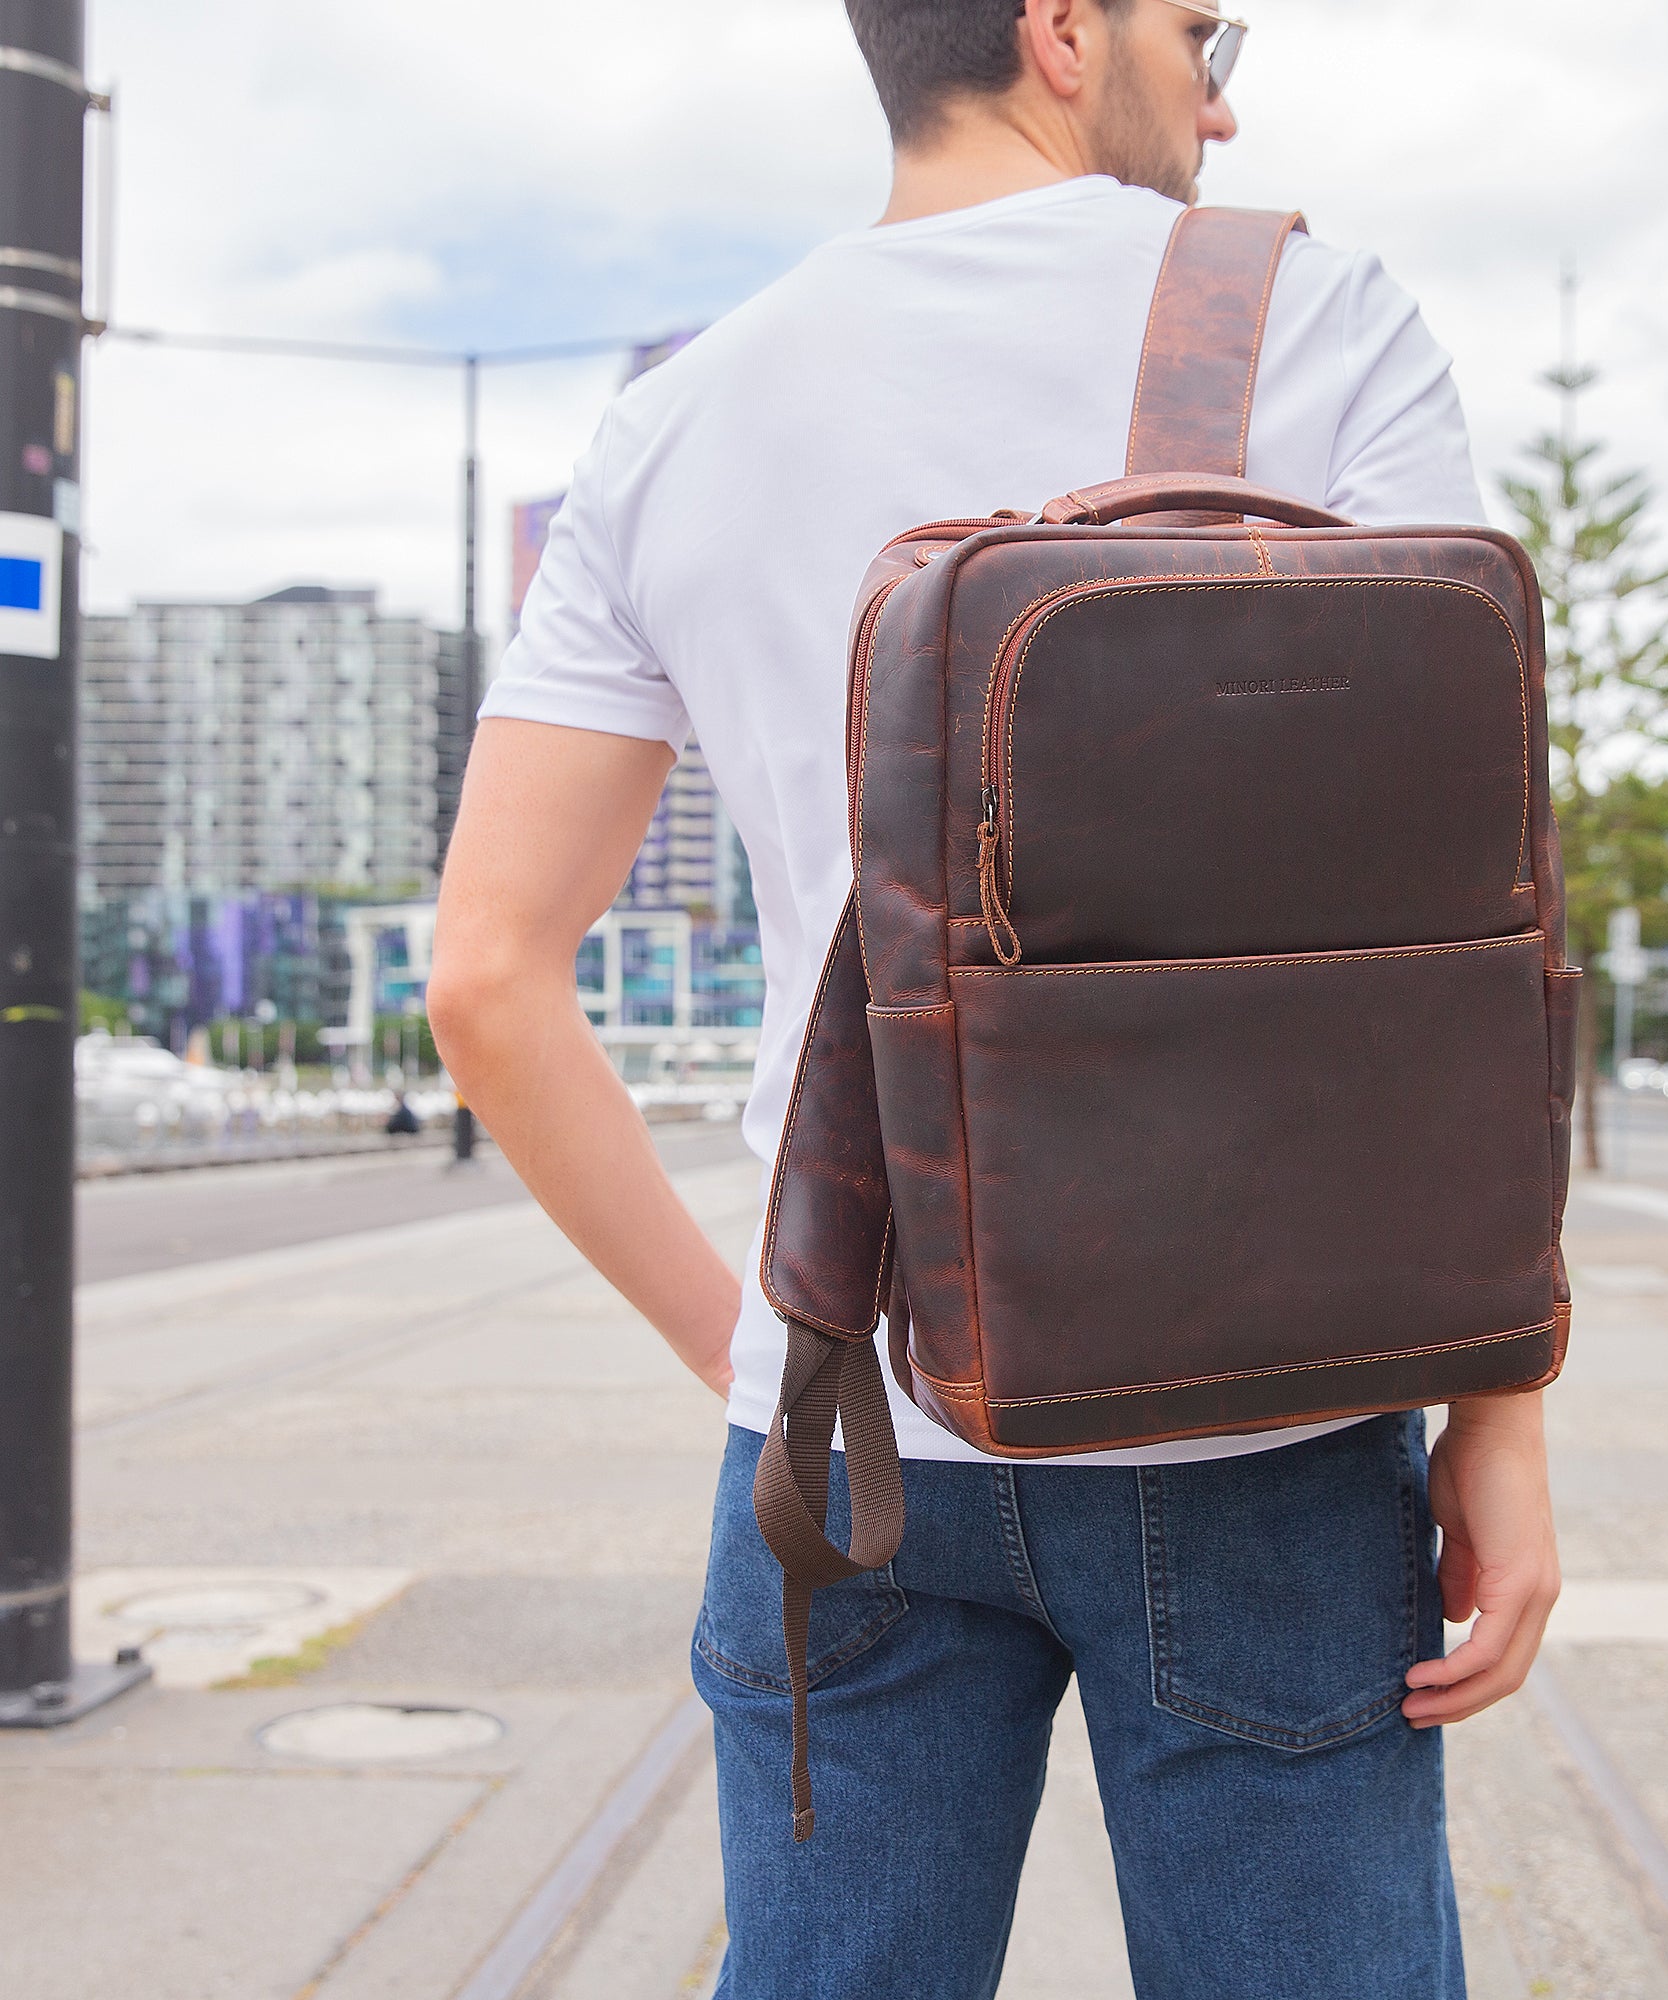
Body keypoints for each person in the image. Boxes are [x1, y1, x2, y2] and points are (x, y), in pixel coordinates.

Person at [427, 3, 1561, 1994]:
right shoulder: (1318, 315)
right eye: (1195, 27)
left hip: (847, 1437)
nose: (1222, 85)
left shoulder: (683, 411)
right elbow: (1454, 912)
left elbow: (486, 977)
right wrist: (1499, 1410)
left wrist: (768, 1359)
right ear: (1059, 28)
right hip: (1261, 1433)